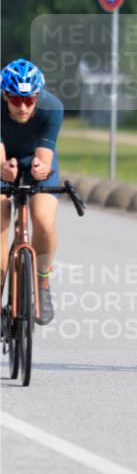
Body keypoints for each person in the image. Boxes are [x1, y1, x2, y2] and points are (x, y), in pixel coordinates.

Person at [1, 58, 64, 325]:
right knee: (0, 223)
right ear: (5, 95)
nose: (24, 106)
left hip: (35, 161)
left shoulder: (52, 107)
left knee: (44, 221)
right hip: (5, 163)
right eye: (16, 100)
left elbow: (45, 156)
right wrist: (4, 169)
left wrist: (41, 170)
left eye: (30, 100)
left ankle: (42, 283)